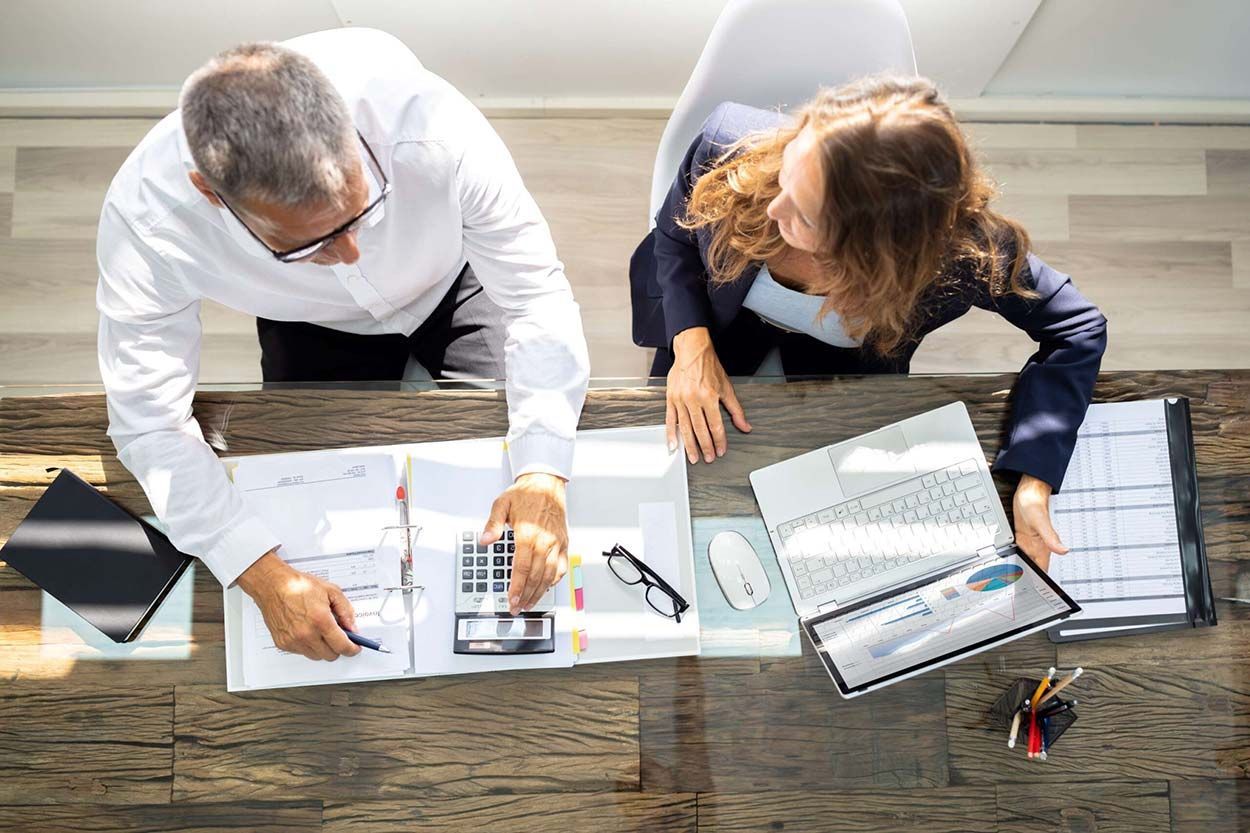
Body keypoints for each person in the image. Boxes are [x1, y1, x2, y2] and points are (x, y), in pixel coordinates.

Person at [96, 29, 589, 661]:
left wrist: (544, 473)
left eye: (364, 211)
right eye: (308, 244)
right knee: (317, 496)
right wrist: (260, 573)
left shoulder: (436, 129)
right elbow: (149, 423)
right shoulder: (146, 224)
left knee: (501, 478)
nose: (351, 254)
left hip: (457, 280)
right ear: (209, 193)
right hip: (306, 325)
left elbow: (535, 299)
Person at [629, 77, 1107, 571]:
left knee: (837, 527)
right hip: (711, 318)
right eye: (790, 168)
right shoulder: (728, 141)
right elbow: (674, 237)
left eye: (807, 216)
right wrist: (690, 344)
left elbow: (1078, 329)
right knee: (669, 491)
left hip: (844, 368)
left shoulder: (966, 255)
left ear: (878, 252)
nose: (774, 208)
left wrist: (1034, 477)